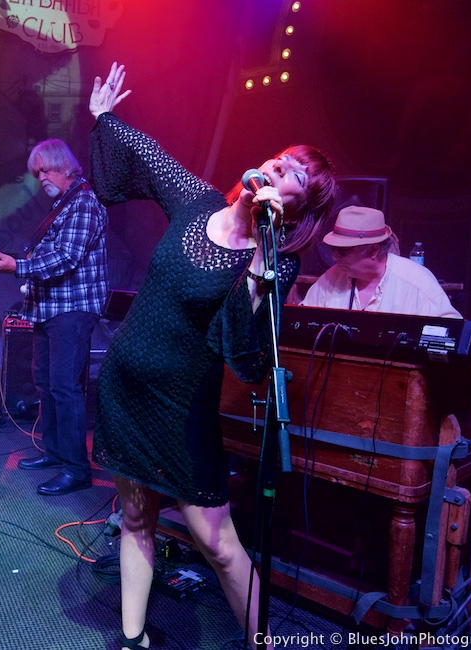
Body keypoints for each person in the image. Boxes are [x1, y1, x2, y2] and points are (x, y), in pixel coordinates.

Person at [87, 63, 336, 649]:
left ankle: (261, 642)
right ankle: (133, 638)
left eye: (295, 173)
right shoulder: (196, 202)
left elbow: (242, 347)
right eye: (281, 158)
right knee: (136, 517)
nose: (279, 166)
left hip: (181, 407)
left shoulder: (277, 263)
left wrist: (263, 250)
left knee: (217, 541)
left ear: (297, 208)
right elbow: (146, 154)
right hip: (125, 384)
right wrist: (103, 117)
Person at [0, 139, 109, 496]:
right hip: (51, 309)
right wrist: (15, 261)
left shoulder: (83, 202)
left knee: (65, 387)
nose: (41, 177)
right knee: (46, 382)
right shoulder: (63, 205)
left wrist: (17, 266)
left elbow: (67, 257)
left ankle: (76, 468)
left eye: (46, 169)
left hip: (72, 309)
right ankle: (55, 452)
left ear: (64, 166)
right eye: (36, 172)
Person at [300, 205, 471, 387]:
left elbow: (454, 339)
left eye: (343, 250)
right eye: (334, 248)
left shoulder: (416, 282)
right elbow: (299, 324)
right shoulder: (332, 277)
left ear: (373, 250)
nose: (334, 256)